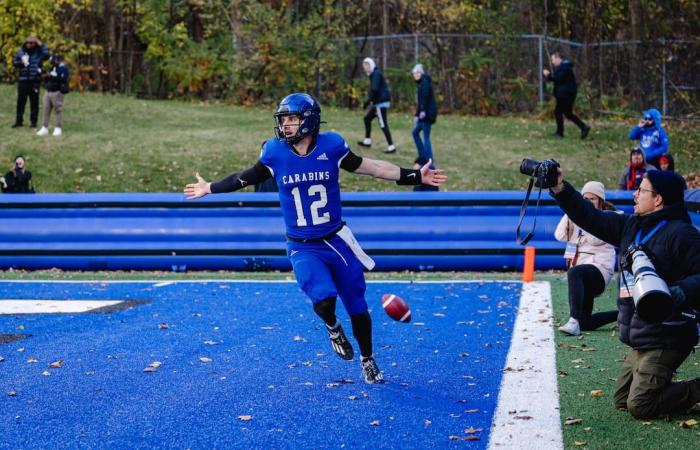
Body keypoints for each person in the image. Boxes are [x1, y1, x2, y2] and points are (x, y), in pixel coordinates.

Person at [184, 93, 446, 384]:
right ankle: (333, 327)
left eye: (292, 119)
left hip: (336, 240)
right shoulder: (274, 153)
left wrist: (414, 176)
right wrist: (210, 187)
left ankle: (368, 359)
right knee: (323, 300)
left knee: (357, 305)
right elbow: (242, 178)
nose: (285, 126)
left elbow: (373, 167)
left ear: (308, 121)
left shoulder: (332, 146)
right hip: (302, 245)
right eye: (283, 120)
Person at [551, 168, 700, 419]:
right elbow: (588, 216)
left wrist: (679, 292)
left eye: (641, 190)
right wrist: (559, 188)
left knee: (640, 405)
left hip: (669, 332)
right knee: (622, 401)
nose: (635, 194)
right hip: (642, 334)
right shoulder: (630, 225)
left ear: (658, 199)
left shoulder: (683, 234)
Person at [555, 181, 618, 336]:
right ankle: (623, 314)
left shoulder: (609, 217)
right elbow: (559, 236)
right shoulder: (578, 217)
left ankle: (573, 321)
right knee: (586, 323)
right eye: (585, 199)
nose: (588, 202)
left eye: (592, 199)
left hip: (600, 270)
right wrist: (570, 211)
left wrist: (585, 216)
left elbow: (594, 239)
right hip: (583, 273)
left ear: (600, 201)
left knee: (575, 272)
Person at [542, 51, 590, 139]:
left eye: (553, 60)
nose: (552, 62)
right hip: (567, 93)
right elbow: (558, 79)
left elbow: (557, 78)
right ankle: (584, 127)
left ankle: (560, 133)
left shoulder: (564, 67)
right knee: (568, 113)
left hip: (565, 94)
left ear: (558, 58)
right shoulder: (563, 66)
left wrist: (548, 75)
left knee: (558, 112)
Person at [357, 58, 396, 153]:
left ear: (372, 65)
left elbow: (374, 90)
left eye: (368, 65)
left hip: (381, 103)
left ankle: (391, 147)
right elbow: (375, 90)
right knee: (367, 119)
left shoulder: (376, 74)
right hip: (377, 102)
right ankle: (367, 141)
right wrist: (371, 101)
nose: (366, 67)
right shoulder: (373, 74)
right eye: (364, 65)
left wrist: (367, 102)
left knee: (383, 124)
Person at [12, 36, 50, 129]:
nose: (29, 44)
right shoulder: (21, 52)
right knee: (21, 101)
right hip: (23, 80)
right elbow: (14, 62)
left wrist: (40, 43)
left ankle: (33, 122)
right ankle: (19, 121)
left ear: (35, 44)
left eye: (31, 43)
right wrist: (21, 63)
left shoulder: (39, 53)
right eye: (28, 42)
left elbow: (47, 55)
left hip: (35, 80)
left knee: (34, 102)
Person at [411, 64, 437, 171]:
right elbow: (421, 101)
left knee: (426, 136)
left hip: (427, 114)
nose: (415, 75)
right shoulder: (421, 83)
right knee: (415, 132)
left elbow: (425, 98)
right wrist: (417, 114)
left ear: (421, 73)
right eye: (414, 73)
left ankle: (428, 159)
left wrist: (422, 111)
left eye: (417, 73)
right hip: (423, 113)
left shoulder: (425, 82)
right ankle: (423, 155)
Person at [37, 54, 69, 137]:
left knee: (57, 110)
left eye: (53, 61)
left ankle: (58, 128)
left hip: (57, 92)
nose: (52, 63)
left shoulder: (63, 69)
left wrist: (51, 76)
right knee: (46, 109)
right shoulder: (53, 68)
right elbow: (49, 77)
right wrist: (45, 76)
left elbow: (63, 79)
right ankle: (45, 127)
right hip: (48, 91)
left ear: (58, 60)